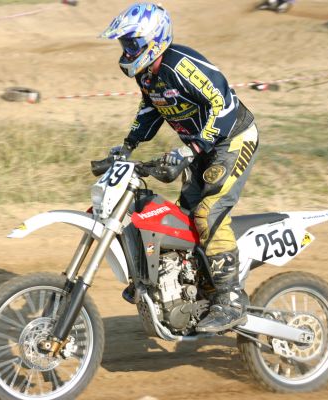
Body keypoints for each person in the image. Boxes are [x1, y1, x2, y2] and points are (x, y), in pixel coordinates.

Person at [100, 3, 259, 333]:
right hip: (199, 147)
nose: (127, 50)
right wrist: (128, 145)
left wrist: (193, 148)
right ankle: (186, 285)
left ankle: (231, 300)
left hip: (232, 140)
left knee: (208, 213)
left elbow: (223, 104)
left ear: (154, 39)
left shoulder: (181, 65)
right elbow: (152, 108)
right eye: (124, 44)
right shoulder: (147, 74)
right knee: (182, 217)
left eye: (132, 43)